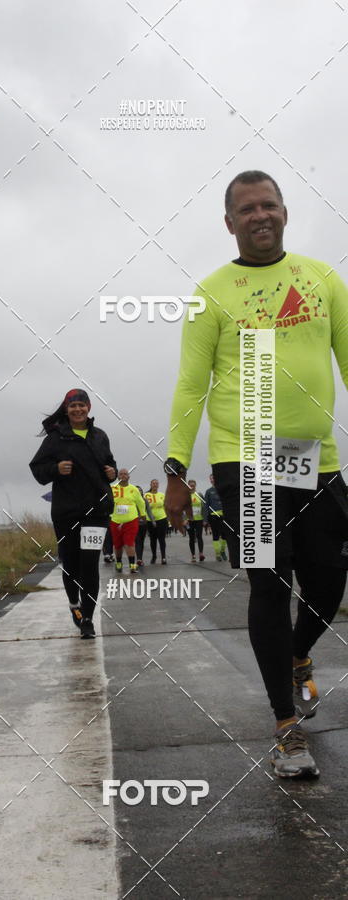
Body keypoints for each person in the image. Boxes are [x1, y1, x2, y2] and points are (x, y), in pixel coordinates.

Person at [164, 170, 348, 778]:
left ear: (285, 212)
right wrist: (176, 467)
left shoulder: (322, 279)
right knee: (270, 583)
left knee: (329, 582)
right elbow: (190, 386)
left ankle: (296, 655)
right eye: (247, 209)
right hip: (246, 459)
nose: (260, 215)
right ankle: (286, 727)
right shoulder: (211, 293)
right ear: (229, 223)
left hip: (315, 459)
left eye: (269, 204)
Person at [30, 389, 117, 639]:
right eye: (72, 406)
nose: (77, 409)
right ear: (66, 410)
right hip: (66, 512)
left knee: (90, 564)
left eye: (81, 405)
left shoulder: (100, 436)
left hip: (97, 512)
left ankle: (87, 618)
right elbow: (37, 470)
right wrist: (56, 469)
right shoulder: (55, 438)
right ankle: (74, 604)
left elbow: (109, 464)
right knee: (71, 565)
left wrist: (112, 473)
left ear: (89, 407)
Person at [109, 469, 147, 573]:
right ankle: (119, 562)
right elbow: (105, 501)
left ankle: (132, 564)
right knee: (117, 544)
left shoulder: (134, 489)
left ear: (129, 477)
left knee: (129, 542)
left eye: (125, 474)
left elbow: (141, 503)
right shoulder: (112, 488)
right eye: (121, 474)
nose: (123, 476)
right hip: (115, 520)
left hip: (131, 520)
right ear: (118, 477)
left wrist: (143, 514)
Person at [203, 474, 227, 561]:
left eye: (213, 478)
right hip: (213, 516)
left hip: (224, 516)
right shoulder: (208, 491)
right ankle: (218, 554)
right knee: (216, 536)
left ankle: (223, 551)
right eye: (211, 479)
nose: (212, 480)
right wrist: (205, 519)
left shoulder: (223, 489)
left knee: (224, 535)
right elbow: (206, 506)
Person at [144, 479, 168, 564]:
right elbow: (143, 507)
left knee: (162, 539)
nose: (155, 485)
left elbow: (166, 507)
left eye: (156, 483)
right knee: (153, 539)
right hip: (150, 520)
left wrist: (168, 518)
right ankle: (154, 556)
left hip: (162, 518)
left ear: (158, 485)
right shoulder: (146, 495)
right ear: (150, 485)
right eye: (153, 483)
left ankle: (163, 557)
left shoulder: (162, 495)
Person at [186, 479, 206, 563]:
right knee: (191, 538)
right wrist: (184, 519)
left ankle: (201, 554)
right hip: (189, 520)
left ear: (195, 486)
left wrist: (205, 519)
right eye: (190, 485)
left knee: (199, 536)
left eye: (193, 485)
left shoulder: (199, 494)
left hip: (199, 519)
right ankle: (193, 555)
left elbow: (204, 507)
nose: (192, 487)